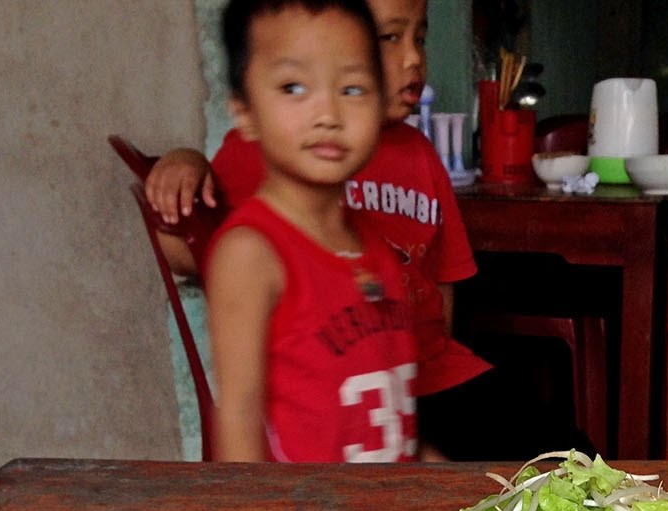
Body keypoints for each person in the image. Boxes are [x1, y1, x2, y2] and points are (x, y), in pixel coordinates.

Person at [145, 0, 491, 420]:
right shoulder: (264, 171)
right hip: (340, 398)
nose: (327, 115)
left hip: (420, 380)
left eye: (420, 38)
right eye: (390, 37)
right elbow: (184, 248)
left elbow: (442, 279)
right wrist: (187, 161)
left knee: (565, 459)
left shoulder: (383, 222)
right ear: (246, 110)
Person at [204, 0, 420, 461]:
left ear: (382, 101)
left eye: (353, 88)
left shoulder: (376, 248)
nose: (328, 114)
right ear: (244, 111)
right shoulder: (251, 254)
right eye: (294, 87)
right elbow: (238, 421)